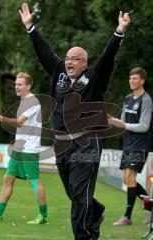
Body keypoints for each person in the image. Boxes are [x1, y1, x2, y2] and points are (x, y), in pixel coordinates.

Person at [19, 3, 131, 239]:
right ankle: (97, 210)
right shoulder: (59, 71)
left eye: (75, 58)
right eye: (68, 57)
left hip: (85, 143)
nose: (69, 61)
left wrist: (119, 31)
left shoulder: (95, 76)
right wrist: (30, 27)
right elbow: (44, 51)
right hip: (61, 144)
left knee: (80, 196)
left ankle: (83, 236)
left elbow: (108, 56)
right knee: (74, 193)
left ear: (84, 63)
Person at [0, 72, 49, 224]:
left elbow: (19, 122)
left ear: (28, 86)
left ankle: (44, 216)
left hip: (29, 149)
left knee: (34, 180)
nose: (16, 86)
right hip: (19, 148)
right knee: (8, 178)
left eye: (20, 84)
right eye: (16, 84)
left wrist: (1, 118)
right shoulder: (25, 101)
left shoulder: (32, 102)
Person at [108, 67, 153, 225]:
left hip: (140, 145)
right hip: (128, 144)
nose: (132, 81)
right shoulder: (127, 98)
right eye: (130, 78)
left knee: (130, 178)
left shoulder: (146, 100)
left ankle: (127, 217)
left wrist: (124, 125)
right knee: (127, 180)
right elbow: (122, 122)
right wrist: (113, 122)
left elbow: (144, 126)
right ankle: (151, 207)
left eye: (135, 78)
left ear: (142, 81)